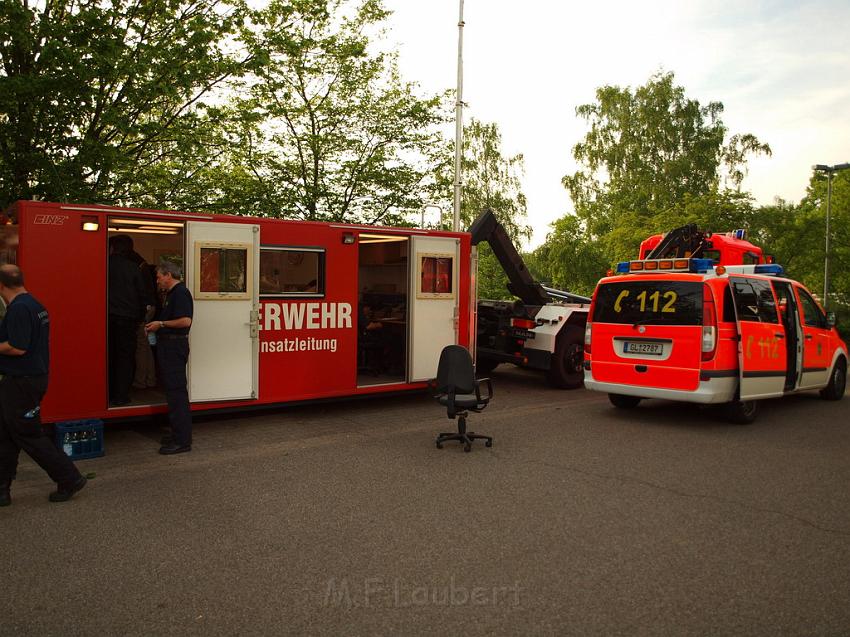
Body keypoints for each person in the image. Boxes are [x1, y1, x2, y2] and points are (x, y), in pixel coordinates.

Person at [0, 264, 86, 505]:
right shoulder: (36, 306)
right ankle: (2, 488)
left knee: (28, 434)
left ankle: (69, 478)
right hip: (26, 379)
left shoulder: (18, 309)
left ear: (1, 285)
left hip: (22, 382)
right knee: (5, 434)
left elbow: (18, 347)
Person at [145, 262, 193, 455]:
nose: (157, 281)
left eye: (159, 277)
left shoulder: (180, 293)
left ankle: (182, 441)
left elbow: (186, 320)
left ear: (168, 275)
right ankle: (177, 434)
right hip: (169, 346)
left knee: (177, 394)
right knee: (172, 392)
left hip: (174, 346)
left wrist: (161, 324)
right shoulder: (171, 294)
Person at [108, 234, 148, 406]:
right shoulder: (134, 268)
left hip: (106, 318)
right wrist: (140, 317)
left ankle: (106, 392)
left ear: (112, 248)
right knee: (125, 357)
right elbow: (142, 295)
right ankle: (121, 395)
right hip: (128, 318)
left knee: (108, 355)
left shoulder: (102, 265)